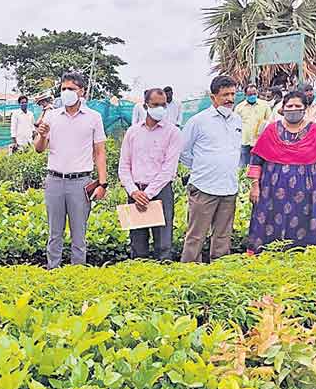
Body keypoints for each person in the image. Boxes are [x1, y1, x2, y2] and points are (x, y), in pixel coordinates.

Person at [246, 91, 316, 254]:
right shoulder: (271, 131)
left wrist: (315, 183)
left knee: (305, 224)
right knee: (270, 222)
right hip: (272, 191)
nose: (293, 109)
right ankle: (268, 257)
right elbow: (256, 160)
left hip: (307, 194)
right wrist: (255, 186)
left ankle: (304, 258)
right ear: (283, 108)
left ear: (305, 109)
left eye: (298, 106)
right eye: (289, 106)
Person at [35, 72, 108, 269]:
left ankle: (77, 276)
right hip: (54, 181)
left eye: (71, 89)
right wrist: (41, 135)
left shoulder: (94, 118)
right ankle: (53, 273)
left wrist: (103, 183)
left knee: (79, 235)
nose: (66, 92)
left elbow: (100, 152)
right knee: (54, 234)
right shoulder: (51, 116)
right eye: (63, 89)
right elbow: (39, 148)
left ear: (81, 92)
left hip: (81, 182)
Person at [179, 75, 242, 263]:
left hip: (229, 188)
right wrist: (201, 167)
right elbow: (182, 151)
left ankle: (218, 276)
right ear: (213, 97)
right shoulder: (198, 121)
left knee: (223, 237)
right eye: (225, 95)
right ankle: (188, 275)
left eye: (233, 94)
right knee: (195, 237)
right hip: (203, 187)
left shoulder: (237, 120)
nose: (230, 98)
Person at [118, 88, 182, 261]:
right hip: (136, 192)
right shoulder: (133, 132)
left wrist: (147, 194)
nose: (160, 109)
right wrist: (134, 192)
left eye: (163, 105)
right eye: (155, 105)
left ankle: (164, 282)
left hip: (161, 192)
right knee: (138, 244)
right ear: (146, 105)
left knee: (163, 245)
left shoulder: (173, 132)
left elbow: (168, 170)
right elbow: (123, 166)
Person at [235, 84, 273, 166]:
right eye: (250, 94)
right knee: (244, 165)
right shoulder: (239, 108)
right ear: (245, 95)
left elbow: (270, 121)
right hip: (245, 141)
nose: (252, 96)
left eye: (254, 94)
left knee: (259, 165)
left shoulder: (264, 105)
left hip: (260, 141)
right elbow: (235, 125)